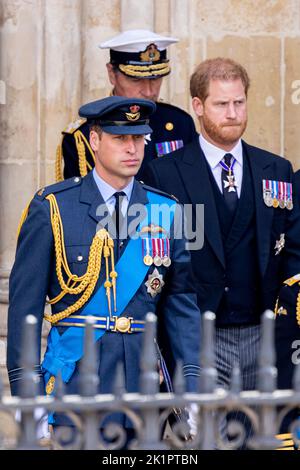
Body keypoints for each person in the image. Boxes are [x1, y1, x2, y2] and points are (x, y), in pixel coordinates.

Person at [7, 96, 200, 446]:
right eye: (120, 138)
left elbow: (181, 306)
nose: (133, 149)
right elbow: (25, 312)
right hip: (75, 382)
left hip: (144, 388)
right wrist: (28, 395)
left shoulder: (165, 210)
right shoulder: (54, 208)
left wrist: (192, 385)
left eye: (139, 139)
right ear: (95, 141)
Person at [143, 57, 300, 447]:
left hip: (261, 336)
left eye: (239, 103)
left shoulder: (276, 170)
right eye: (221, 104)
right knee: (199, 444)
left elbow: (291, 257)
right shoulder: (165, 174)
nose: (232, 113)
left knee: (258, 439)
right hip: (197, 339)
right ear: (198, 106)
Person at [56, 29, 197, 183]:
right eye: (136, 80)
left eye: (155, 79)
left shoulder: (179, 123)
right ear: (112, 74)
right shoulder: (83, 134)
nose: (149, 91)